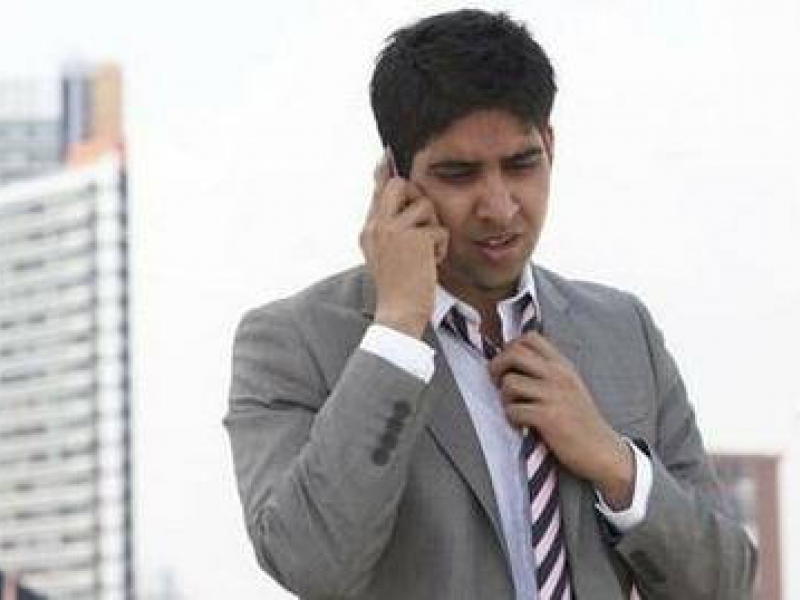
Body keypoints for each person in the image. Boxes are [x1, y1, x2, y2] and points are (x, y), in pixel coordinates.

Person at [224, 9, 756, 600]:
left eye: (521, 164)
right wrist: (397, 330)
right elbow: (312, 565)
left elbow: (724, 584)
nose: (499, 207)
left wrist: (615, 464)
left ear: (550, 145)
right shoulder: (292, 343)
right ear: (395, 176)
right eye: (459, 174)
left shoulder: (623, 332)